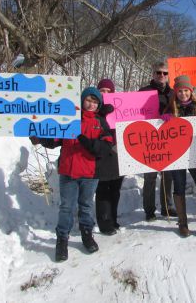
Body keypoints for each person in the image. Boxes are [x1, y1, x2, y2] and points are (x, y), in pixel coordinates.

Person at [31, 87, 112, 261]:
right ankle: (62, 239)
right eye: (88, 100)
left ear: (99, 105)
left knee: (86, 205)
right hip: (68, 171)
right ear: (82, 100)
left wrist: (86, 141)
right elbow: (54, 139)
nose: (91, 104)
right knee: (66, 207)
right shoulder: (68, 118)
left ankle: (87, 234)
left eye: (95, 102)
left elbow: (104, 148)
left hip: (90, 173)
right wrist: (39, 136)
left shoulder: (100, 122)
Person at [164, 75, 196, 242]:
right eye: (180, 91)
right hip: (177, 156)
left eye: (186, 90)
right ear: (176, 92)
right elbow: (161, 135)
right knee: (179, 186)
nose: (183, 94)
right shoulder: (170, 108)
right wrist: (162, 120)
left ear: (190, 91)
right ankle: (183, 223)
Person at [139, 62, 177, 221]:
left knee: (168, 176)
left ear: (168, 75)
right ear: (153, 74)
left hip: (168, 139)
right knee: (150, 177)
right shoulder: (143, 91)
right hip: (149, 140)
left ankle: (167, 206)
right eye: (158, 72)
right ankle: (149, 210)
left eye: (165, 73)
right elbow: (135, 113)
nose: (161, 75)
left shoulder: (174, 93)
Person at [94, 78, 124, 235]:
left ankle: (113, 219)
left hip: (119, 154)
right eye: (102, 91)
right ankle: (104, 223)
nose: (105, 94)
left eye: (108, 91)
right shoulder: (93, 109)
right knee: (103, 190)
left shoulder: (119, 108)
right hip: (102, 155)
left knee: (115, 189)